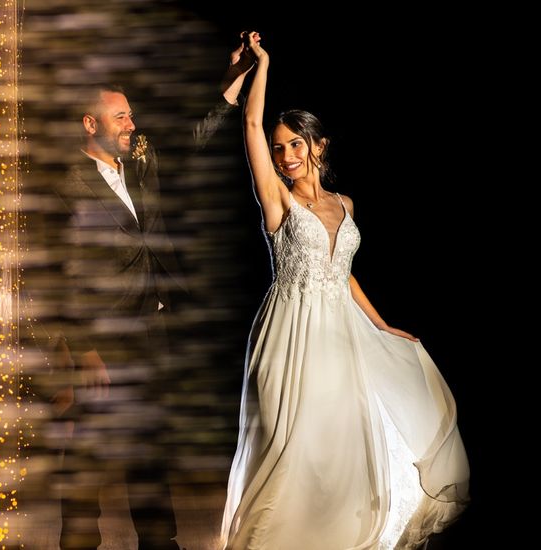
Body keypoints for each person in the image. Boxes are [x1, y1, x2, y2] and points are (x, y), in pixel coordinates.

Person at [220, 32, 470, 550]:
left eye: (295, 144)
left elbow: (343, 271)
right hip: (290, 330)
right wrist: (260, 65)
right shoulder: (278, 201)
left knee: (335, 442)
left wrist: (380, 324)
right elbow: (248, 120)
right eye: (278, 147)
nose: (286, 155)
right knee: (288, 446)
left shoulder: (346, 204)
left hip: (341, 332)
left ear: (318, 145)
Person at [24, 41, 254, 550]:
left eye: (131, 115)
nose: (132, 124)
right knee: (87, 457)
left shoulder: (142, 160)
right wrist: (82, 352)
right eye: (121, 116)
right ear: (91, 124)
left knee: (151, 449)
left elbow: (193, 136)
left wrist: (232, 79)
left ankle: (160, 542)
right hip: (101, 342)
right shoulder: (66, 186)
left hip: (153, 329)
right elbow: (57, 278)